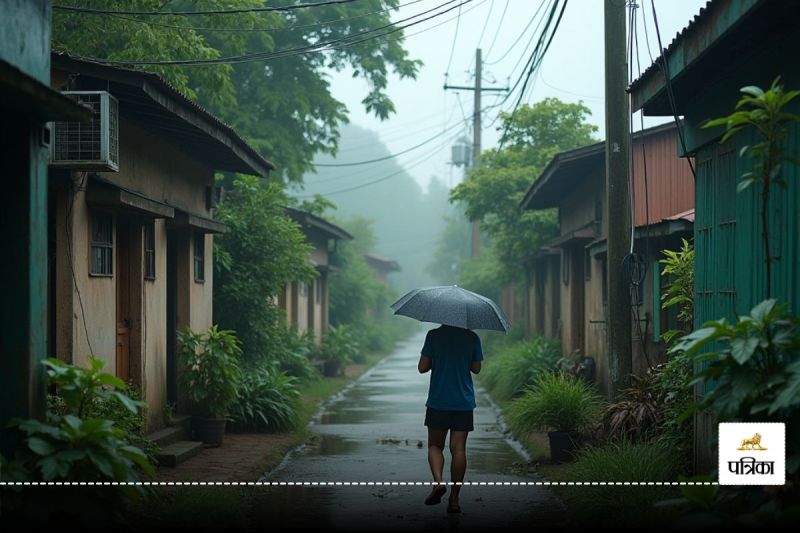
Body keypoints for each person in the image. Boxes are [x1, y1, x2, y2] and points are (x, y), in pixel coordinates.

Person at [417, 323, 483, 514]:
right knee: (459, 449)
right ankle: (454, 500)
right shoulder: (472, 337)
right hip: (463, 402)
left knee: (435, 446)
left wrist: (437, 359)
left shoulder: (433, 336)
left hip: (439, 401)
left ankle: (438, 482)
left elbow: (422, 367)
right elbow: (477, 368)